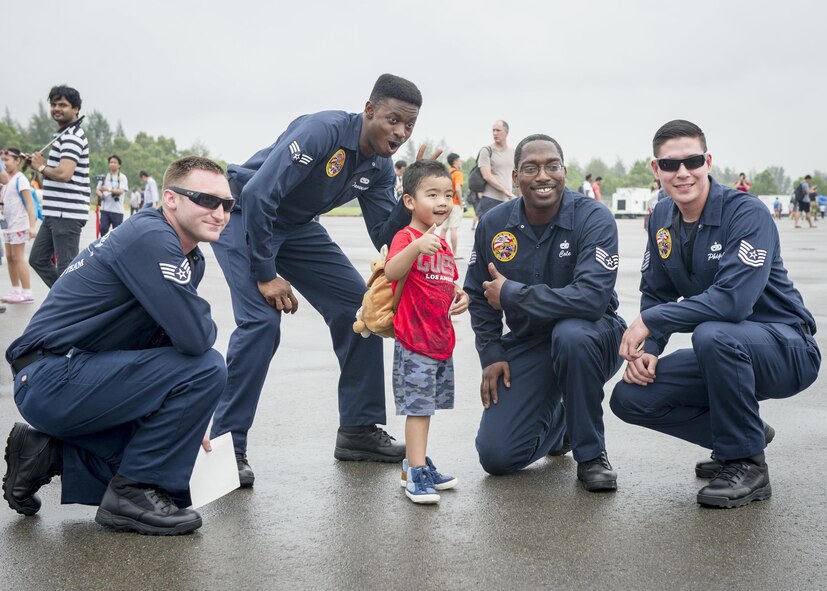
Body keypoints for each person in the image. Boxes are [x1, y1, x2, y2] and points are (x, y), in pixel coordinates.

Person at [211, 74, 425, 486]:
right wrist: (265, 273)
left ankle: (358, 431)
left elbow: (383, 233)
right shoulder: (322, 131)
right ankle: (227, 447)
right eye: (393, 119)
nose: (400, 132)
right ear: (369, 110)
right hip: (243, 214)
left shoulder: (379, 166)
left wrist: (409, 199)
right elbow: (258, 194)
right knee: (261, 323)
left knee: (358, 309)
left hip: (294, 226)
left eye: (409, 126)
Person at [2, 156, 231, 535]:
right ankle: (131, 494)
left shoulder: (188, 256)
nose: (220, 212)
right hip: (50, 376)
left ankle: (43, 455)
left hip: (76, 377)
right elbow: (194, 338)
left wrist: (184, 420)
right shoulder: (151, 237)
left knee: (172, 470)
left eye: (227, 204)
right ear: (171, 199)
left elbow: (163, 344)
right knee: (208, 366)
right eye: (207, 200)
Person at [610, 120, 821, 508]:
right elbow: (657, 291)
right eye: (670, 165)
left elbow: (732, 304)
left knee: (712, 331)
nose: (682, 173)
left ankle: (747, 464)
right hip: (723, 353)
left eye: (691, 161)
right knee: (629, 397)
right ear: (656, 170)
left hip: (787, 349)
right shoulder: (660, 218)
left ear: (707, 161)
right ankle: (741, 435)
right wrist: (650, 348)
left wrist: (653, 322)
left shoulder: (746, 213)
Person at [464, 134, 626, 491]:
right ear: (516, 178)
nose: (543, 176)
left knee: (571, 335)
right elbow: (478, 293)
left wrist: (512, 294)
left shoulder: (593, 218)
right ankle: (563, 421)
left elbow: (591, 300)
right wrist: (491, 352)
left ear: (564, 172)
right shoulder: (494, 224)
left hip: (595, 334)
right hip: (530, 341)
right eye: (531, 168)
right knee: (497, 457)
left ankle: (591, 454)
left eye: (552, 166)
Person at [384, 160, 468, 504]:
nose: (442, 202)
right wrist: (415, 247)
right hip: (414, 341)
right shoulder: (407, 237)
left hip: (438, 341)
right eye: (432, 194)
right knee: (418, 409)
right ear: (409, 201)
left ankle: (414, 465)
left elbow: (443, 281)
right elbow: (391, 270)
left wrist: (460, 295)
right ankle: (416, 473)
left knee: (427, 408)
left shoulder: (443, 244)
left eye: (447, 195)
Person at [25, 85, 90, 288]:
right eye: (53, 104)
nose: (56, 108)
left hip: (67, 215)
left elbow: (64, 173)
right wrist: (39, 164)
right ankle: (63, 301)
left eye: (63, 104)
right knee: (38, 259)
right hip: (55, 213)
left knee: (67, 269)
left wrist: (41, 166)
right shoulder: (63, 135)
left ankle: (74, 310)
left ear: (76, 109)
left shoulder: (72, 137)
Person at [0, 149, 38, 304]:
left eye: (6, 160)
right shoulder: (5, 179)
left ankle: (27, 291)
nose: (4, 163)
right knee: (9, 257)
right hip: (8, 225)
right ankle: (16, 289)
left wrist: (32, 226)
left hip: (19, 224)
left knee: (18, 257)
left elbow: (30, 204)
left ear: (17, 161)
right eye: (2, 160)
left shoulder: (21, 179)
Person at [475, 120, 516, 219]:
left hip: (508, 200)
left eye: (498, 130)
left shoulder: (513, 152)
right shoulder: (486, 150)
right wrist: (506, 191)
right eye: (493, 130)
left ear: (506, 132)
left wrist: (520, 197)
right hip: (490, 200)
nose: (495, 133)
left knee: (507, 234)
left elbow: (516, 176)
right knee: (489, 233)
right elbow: (487, 175)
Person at [437, 152, 464, 256]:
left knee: (444, 228)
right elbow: (457, 188)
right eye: (460, 160)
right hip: (455, 203)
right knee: (454, 228)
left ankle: (440, 251)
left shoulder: (447, 173)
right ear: (455, 161)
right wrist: (461, 203)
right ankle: (455, 253)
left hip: (445, 202)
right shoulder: (458, 173)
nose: (460, 162)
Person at [96, 155, 129, 235]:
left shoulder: (123, 177)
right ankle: (104, 247)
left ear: (119, 165)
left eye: (114, 162)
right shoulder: (103, 176)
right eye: (110, 162)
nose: (112, 164)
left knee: (117, 233)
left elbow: (121, 191)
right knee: (103, 230)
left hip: (117, 210)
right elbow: (97, 190)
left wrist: (109, 190)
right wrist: (101, 195)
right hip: (105, 209)